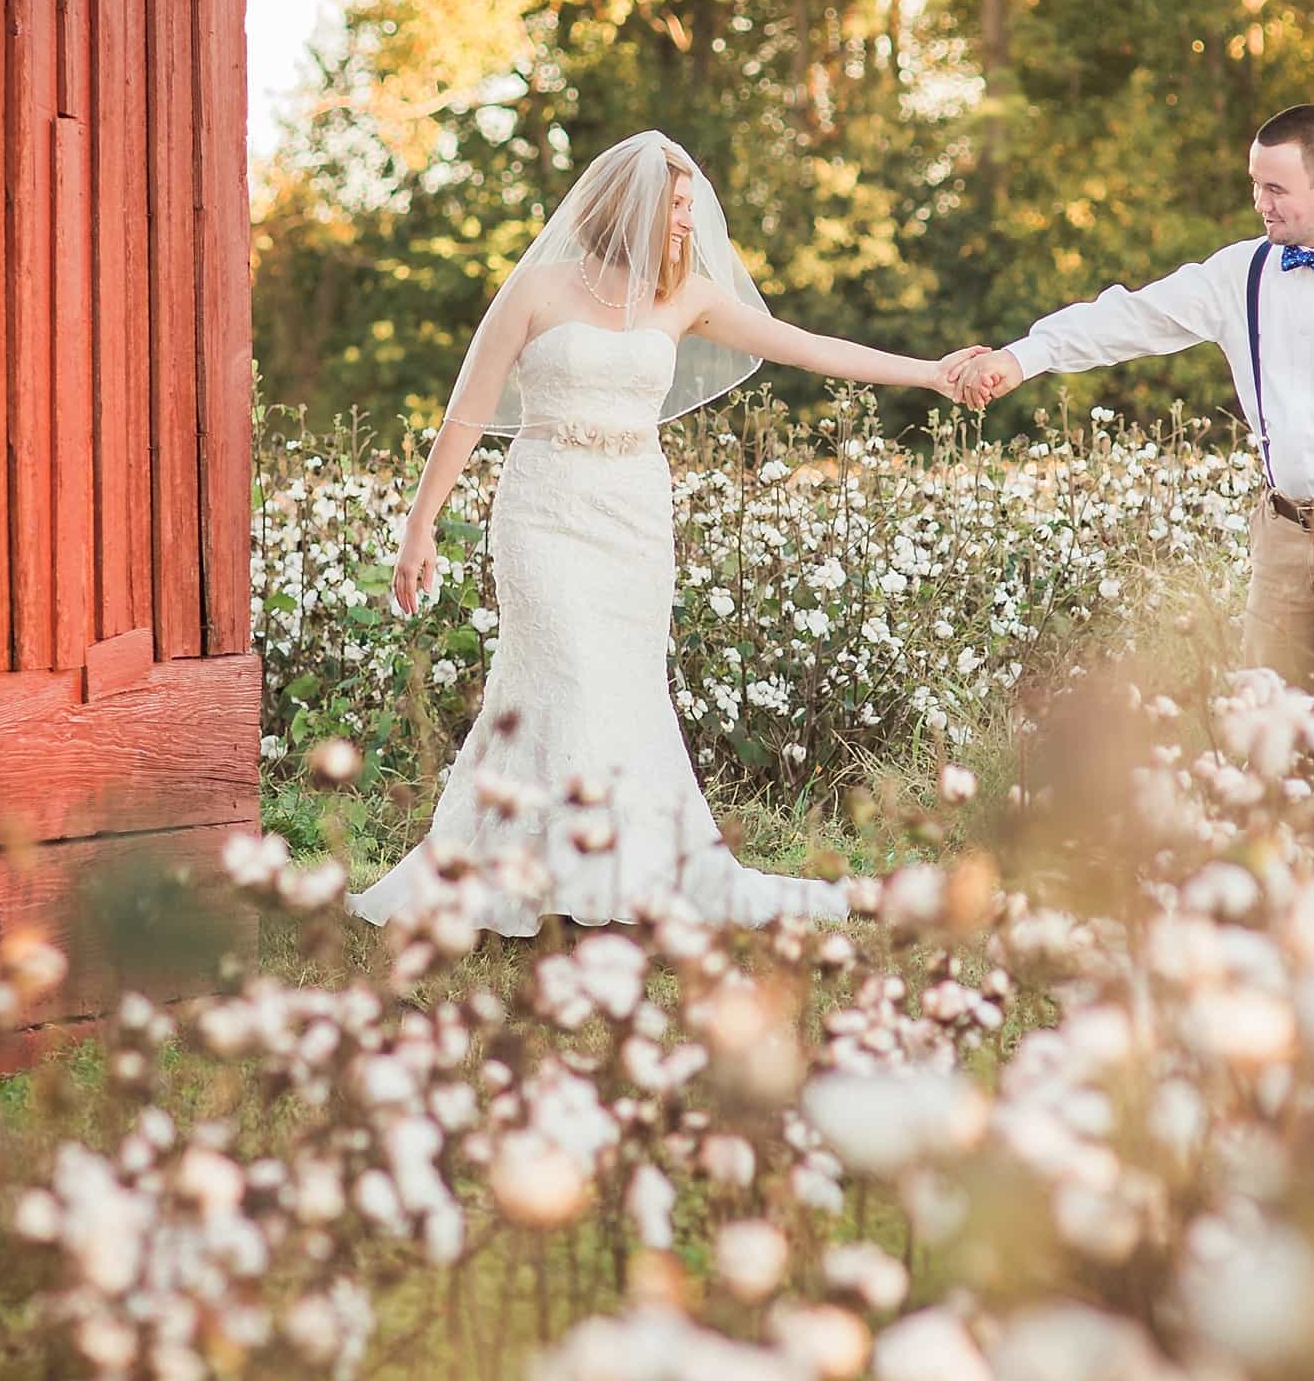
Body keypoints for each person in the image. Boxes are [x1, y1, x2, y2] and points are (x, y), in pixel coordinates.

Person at [351, 131, 971, 935]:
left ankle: (610, 875)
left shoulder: (690, 299)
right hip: (544, 507)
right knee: (561, 675)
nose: (688, 220)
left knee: (622, 686)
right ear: (632, 204)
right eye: (677, 206)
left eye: (689, 207)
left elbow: (809, 348)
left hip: (634, 516)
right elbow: (467, 410)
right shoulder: (538, 288)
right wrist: (419, 525)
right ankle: (556, 876)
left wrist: (927, 372)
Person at [950, 105, 1314, 695]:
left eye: (1276, 189)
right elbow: (1131, 316)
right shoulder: (1240, 274)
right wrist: (1022, 357)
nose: (1261, 202)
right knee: (1267, 722)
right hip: (1282, 534)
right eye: (1256, 184)